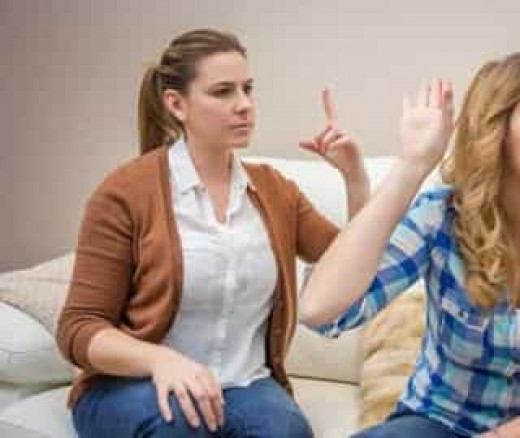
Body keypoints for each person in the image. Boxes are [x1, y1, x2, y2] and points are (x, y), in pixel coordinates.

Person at [300, 50, 520, 438]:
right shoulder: (442, 215)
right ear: (497, 130)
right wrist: (412, 165)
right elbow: (322, 312)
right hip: (439, 422)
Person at [56, 28, 368, 437]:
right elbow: (79, 327)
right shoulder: (124, 193)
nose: (244, 105)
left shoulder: (275, 191)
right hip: (133, 384)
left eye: (247, 89)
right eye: (223, 92)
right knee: (182, 426)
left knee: (289, 433)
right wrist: (161, 361)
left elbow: (349, 268)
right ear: (176, 104)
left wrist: (355, 178)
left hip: (244, 384)